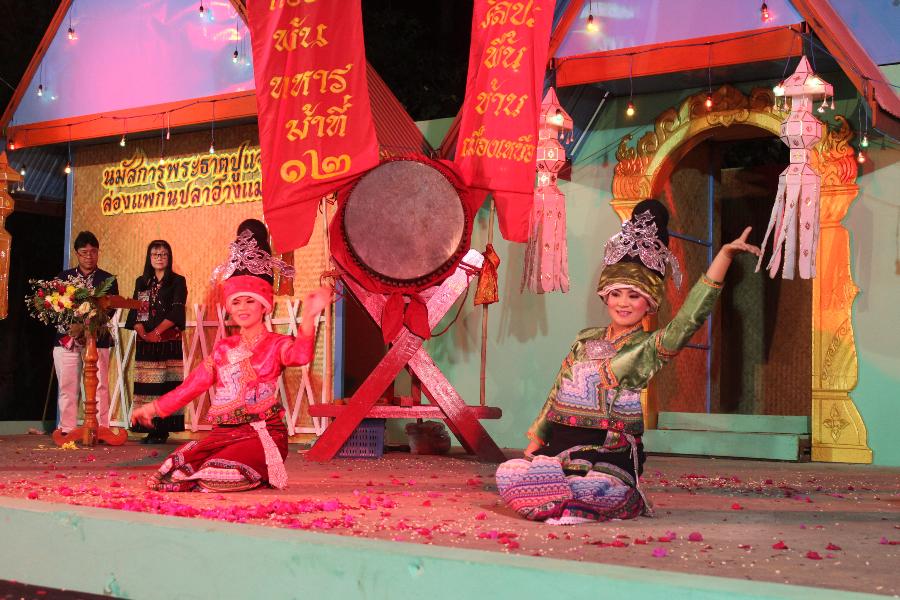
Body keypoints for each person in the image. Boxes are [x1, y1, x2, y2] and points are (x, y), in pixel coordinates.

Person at [495, 200, 761, 524]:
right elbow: (558, 388)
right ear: (605, 296)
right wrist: (537, 438)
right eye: (616, 293)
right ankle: (558, 492)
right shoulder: (585, 339)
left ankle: (582, 497)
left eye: (634, 296)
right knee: (511, 472)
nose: (623, 303)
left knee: (594, 486)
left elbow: (688, 320)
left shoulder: (648, 347)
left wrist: (724, 257)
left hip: (610, 449)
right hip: (563, 443)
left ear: (649, 303)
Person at [131, 222, 330, 492]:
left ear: (264, 306)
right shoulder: (224, 348)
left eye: (250, 301)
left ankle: (245, 471)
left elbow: (300, 355)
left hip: (261, 434)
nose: (242, 308)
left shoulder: (276, 344)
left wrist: (308, 317)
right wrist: (153, 409)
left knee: (217, 474)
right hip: (223, 434)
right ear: (229, 307)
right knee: (178, 469)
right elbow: (192, 386)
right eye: (236, 302)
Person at [53, 231, 118, 435]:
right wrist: (74, 328)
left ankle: (101, 429)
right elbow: (55, 308)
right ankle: (67, 429)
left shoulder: (107, 279)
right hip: (67, 339)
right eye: (84, 252)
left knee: (100, 386)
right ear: (77, 254)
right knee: (67, 385)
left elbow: (110, 310)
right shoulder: (64, 278)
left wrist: (85, 327)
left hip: (97, 339)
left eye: (93, 252)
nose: (89, 256)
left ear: (98, 252)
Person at [124, 240, 187, 444]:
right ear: (149, 258)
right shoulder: (142, 282)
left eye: (163, 254)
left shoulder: (177, 281)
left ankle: (162, 431)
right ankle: (150, 429)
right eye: (155, 254)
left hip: (167, 340)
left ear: (169, 257)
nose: (159, 258)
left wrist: (157, 332)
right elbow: (135, 311)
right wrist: (143, 333)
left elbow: (177, 311)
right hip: (146, 342)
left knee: (166, 386)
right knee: (147, 387)